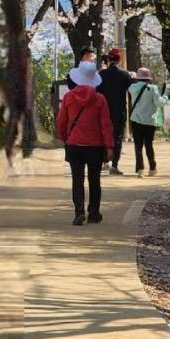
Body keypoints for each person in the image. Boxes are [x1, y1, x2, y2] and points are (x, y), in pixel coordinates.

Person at [56, 60, 114, 225]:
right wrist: (109, 146)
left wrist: (64, 137)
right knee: (94, 179)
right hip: (95, 146)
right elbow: (105, 124)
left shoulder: (69, 97)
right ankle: (94, 212)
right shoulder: (100, 99)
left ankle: (79, 211)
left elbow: (61, 120)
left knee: (77, 179)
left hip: (74, 144)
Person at [97, 48, 133, 175]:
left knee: (103, 135)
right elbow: (131, 88)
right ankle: (114, 165)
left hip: (103, 110)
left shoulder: (101, 75)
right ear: (119, 60)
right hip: (119, 111)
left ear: (108, 59)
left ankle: (104, 162)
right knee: (117, 137)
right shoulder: (125, 75)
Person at [128, 67, 165, 176]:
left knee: (138, 145)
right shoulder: (153, 88)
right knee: (148, 144)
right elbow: (159, 103)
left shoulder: (132, 87)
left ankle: (140, 169)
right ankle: (152, 168)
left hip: (136, 119)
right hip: (149, 120)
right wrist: (166, 96)